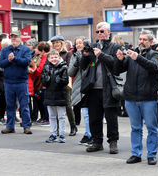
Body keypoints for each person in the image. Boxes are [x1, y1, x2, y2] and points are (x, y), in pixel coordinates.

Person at [115, 30, 158, 165]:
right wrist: (119, 60)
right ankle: (136, 154)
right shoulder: (132, 54)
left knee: (152, 128)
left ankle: (152, 154)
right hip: (131, 98)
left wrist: (138, 58)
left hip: (148, 98)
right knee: (135, 128)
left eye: (144, 39)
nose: (141, 41)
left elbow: (154, 67)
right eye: (140, 39)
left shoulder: (154, 54)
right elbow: (117, 70)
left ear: (151, 42)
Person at [81, 22, 121, 154]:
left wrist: (101, 55)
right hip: (93, 89)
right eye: (97, 32)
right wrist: (85, 55)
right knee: (94, 117)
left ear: (109, 32)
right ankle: (97, 142)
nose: (99, 34)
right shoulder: (93, 46)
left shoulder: (115, 46)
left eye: (102, 31)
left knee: (111, 118)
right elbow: (83, 66)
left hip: (108, 88)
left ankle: (113, 142)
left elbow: (116, 65)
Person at [0, 33, 32, 135]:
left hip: (21, 81)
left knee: (24, 105)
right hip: (8, 82)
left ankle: (26, 126)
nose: (13, 39)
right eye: (12, 37)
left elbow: (26, 62)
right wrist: (8, 60)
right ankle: (10, 126)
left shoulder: (25, 49)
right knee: (10, 105)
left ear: (20, 39)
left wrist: (15, 58)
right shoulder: (5, 50)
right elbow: (0, 64)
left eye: (15, 37)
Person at [50, 35, 77, 136]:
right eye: (54, 43)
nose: (56, 44)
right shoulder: (51, 54)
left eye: (58, 42)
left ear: (62, 43)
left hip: (64, 83)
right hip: (54, 83)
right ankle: (56, 129)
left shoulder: (67, 54)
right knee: (55, 105)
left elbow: (69, 67)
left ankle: (73, 126)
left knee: (68, 105)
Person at [68, 37, 92, 145]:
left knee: (88, 113)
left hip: (90, 86)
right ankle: (88, 134)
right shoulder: (74, 55)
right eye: (76, 43)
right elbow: (70, 73)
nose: (78, 45)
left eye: (80, 43)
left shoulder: (90, 54)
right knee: (85, 112)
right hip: (79, 87)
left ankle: (89, 134)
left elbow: (90, 68)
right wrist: (76, 62)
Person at [41, 49, 69, 143]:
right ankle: (53, 134)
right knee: (52, 116)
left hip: (61, 94)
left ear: (59, 57)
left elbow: (66, 81)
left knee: (61, 116)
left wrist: (59, 80)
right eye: (52, 57)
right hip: (50, 94)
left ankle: (61, 134)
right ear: (48, 59)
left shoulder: (64, 67)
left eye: (55, 57)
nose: (54, 59)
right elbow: (43, 81)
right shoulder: (46, 67)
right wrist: (46, 79)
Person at [0, 38, 11, 125]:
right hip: (2, 79)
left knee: (11, 98)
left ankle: (12, 116)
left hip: (10, 79)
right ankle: (1, 117)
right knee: (3, 98)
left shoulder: (11, 54)